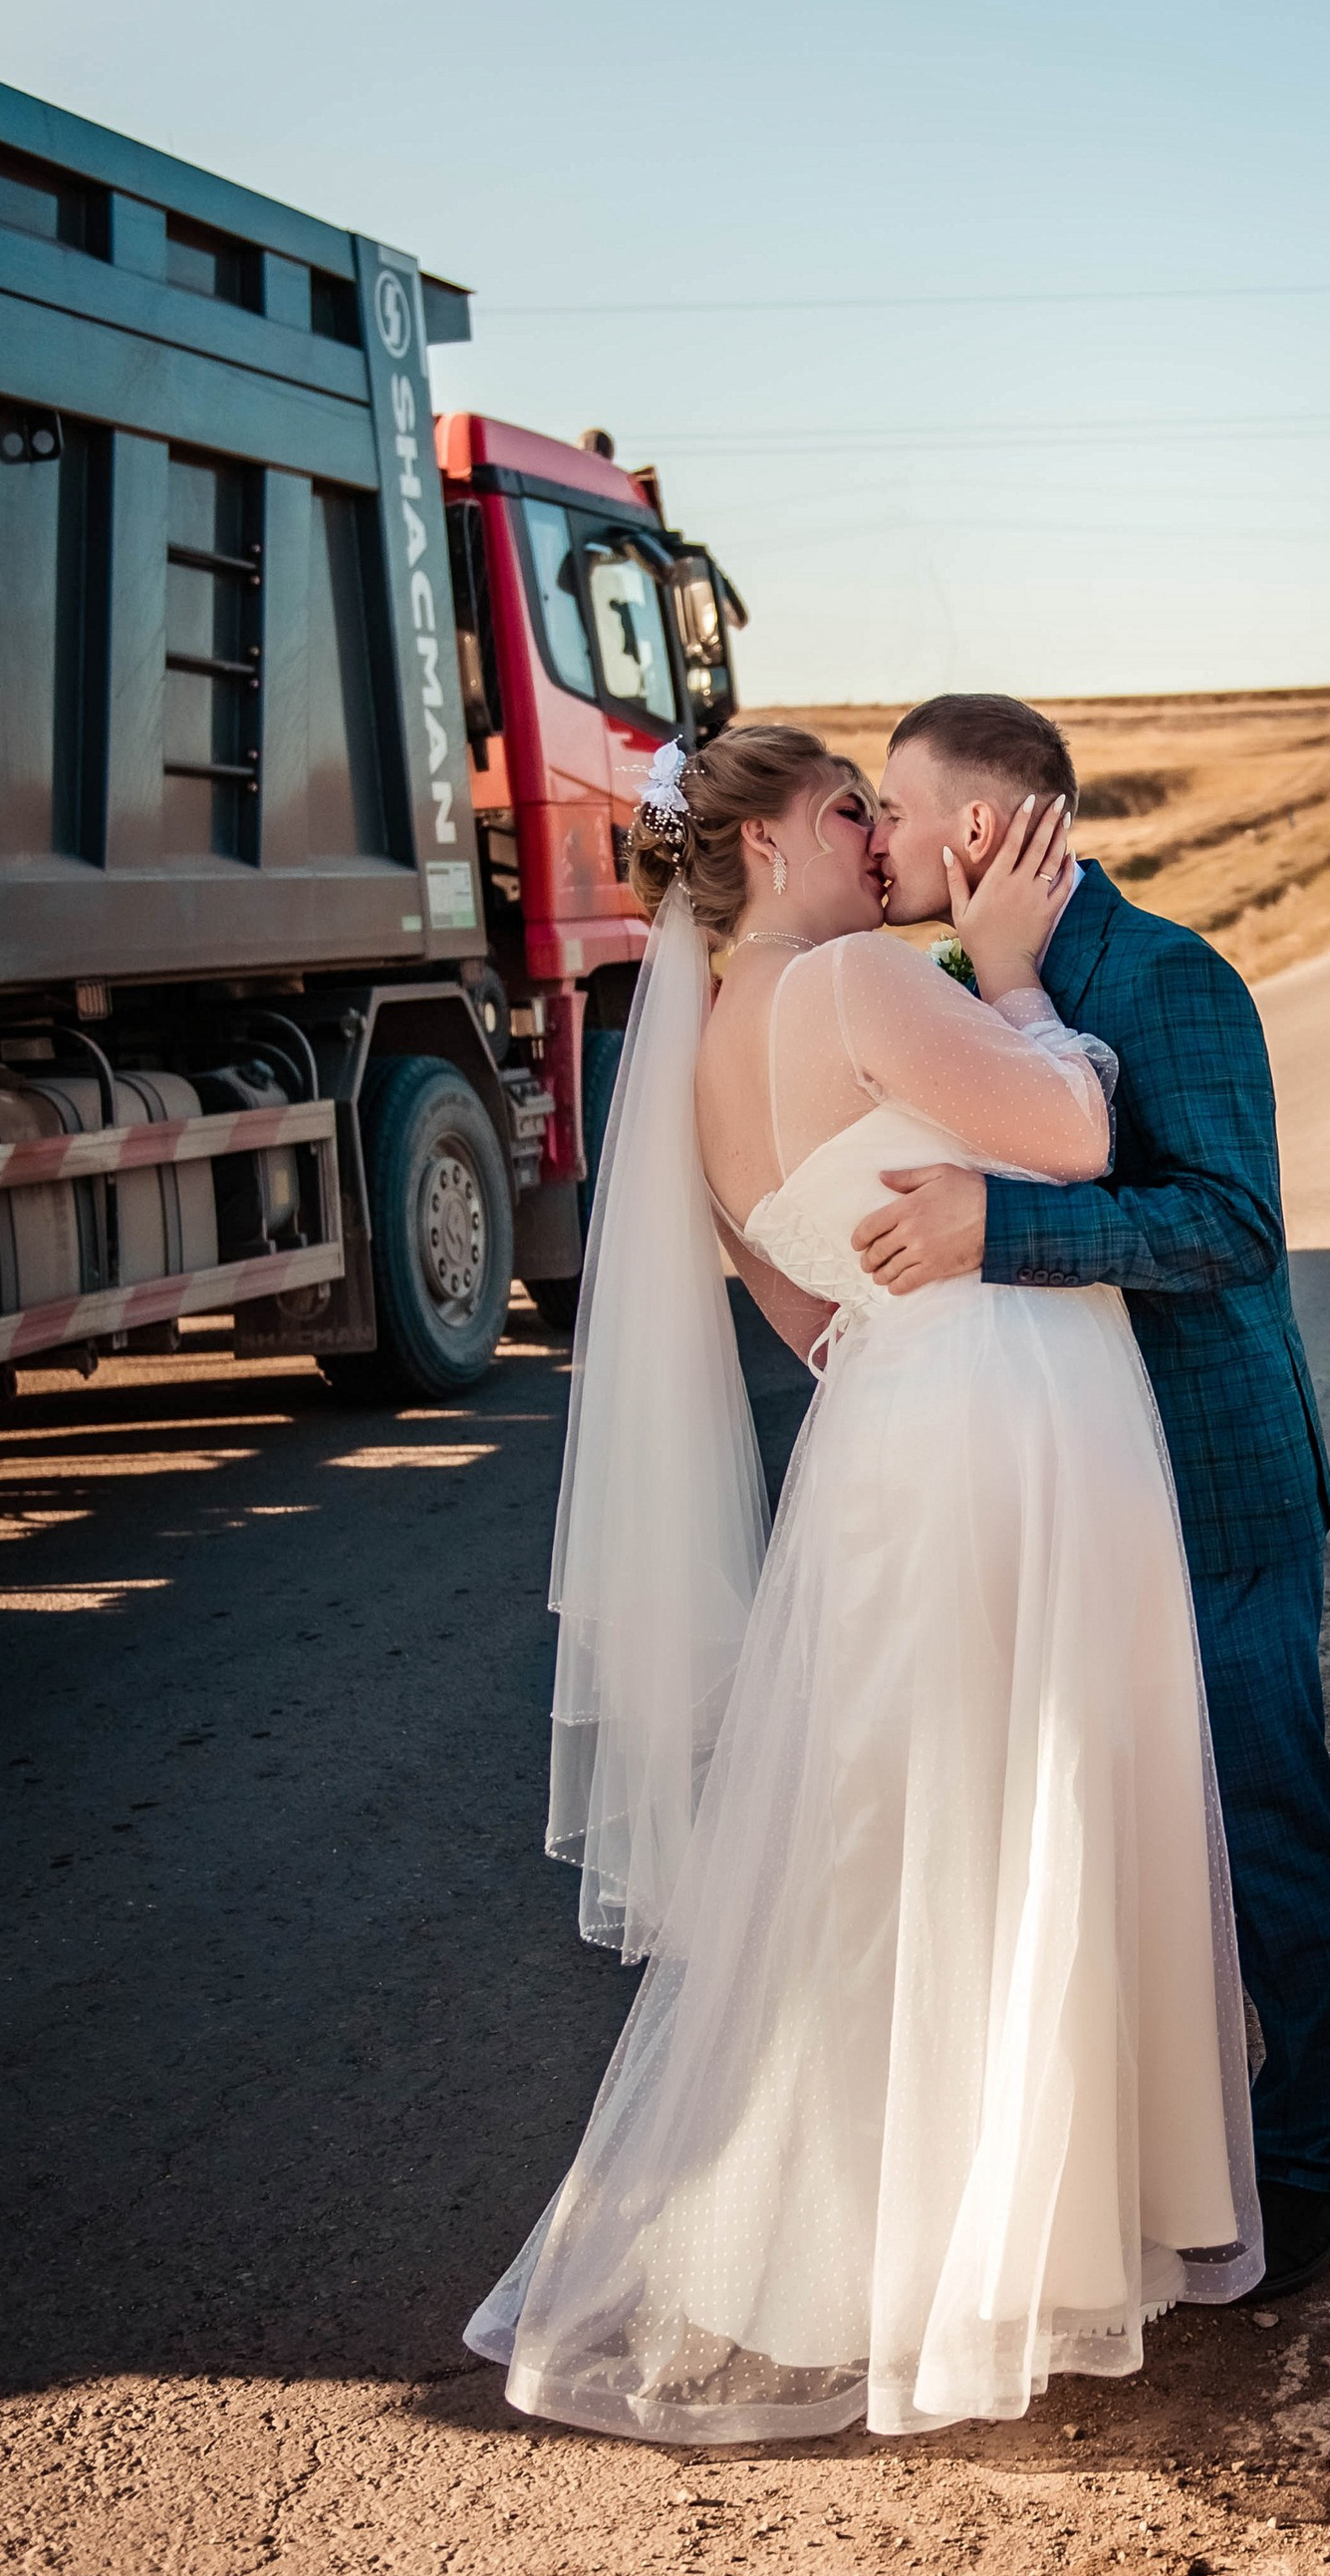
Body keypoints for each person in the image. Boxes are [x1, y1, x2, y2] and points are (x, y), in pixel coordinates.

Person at [465, 723, 1261, 2441]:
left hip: (882, 1444)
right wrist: (1012, 979)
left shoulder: (695, 1066)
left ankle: (839, 2250)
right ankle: (1020, 2240)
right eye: (848, 811)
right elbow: (1065, 1137)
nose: (872, 840)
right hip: (1004, 1419)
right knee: (1018, 1796)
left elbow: (807, 1320)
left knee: (893, 1836)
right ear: (763, 849)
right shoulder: (855, 990)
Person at [862, 695, 1330, 2300]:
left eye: (893, 806)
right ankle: (1173, 2151)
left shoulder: (1173, 978)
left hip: (1216, 1480)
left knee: (1260, 1819)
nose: (876, 836)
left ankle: (1315, 2158)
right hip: (1074, 1492)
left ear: (978, 827)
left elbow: (1233, 1225)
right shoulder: (958, 988)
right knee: (1122, 1844)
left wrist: (994, 1233)